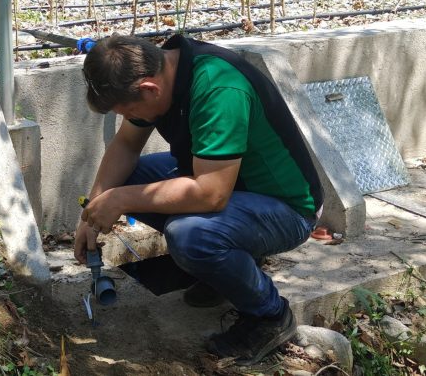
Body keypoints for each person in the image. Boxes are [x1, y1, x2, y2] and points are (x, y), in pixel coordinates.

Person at [77, 33, 324, 366]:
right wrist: (92, 211)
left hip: (286, 209)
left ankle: (270, 316)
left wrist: (118, 199)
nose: (128, 116)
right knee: (128, 177)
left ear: (150, 90)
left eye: (129, 110)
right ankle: (222, 273)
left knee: (191, 234)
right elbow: (125, 146)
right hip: (232, 184)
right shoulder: (156, 69)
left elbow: (211, 193)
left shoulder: (219, 89)